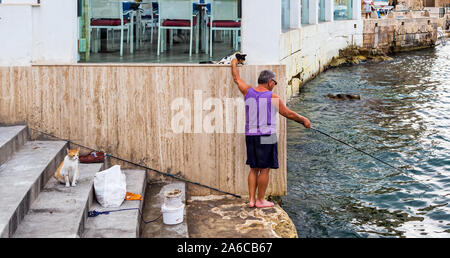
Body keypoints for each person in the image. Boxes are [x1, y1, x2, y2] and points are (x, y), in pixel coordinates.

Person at [231, 58, 311, 208]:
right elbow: (288, 114)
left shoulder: (248, 91)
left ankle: (251, 200)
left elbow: (236, 78)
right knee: (265, 169)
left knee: (254, 168)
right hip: (267, 136)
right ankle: (261, 200)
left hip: (250, 135)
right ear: (270, 82)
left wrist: (234, 62)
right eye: (274, 83)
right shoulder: (273, 97)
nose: (274, 86)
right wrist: (304, 120)